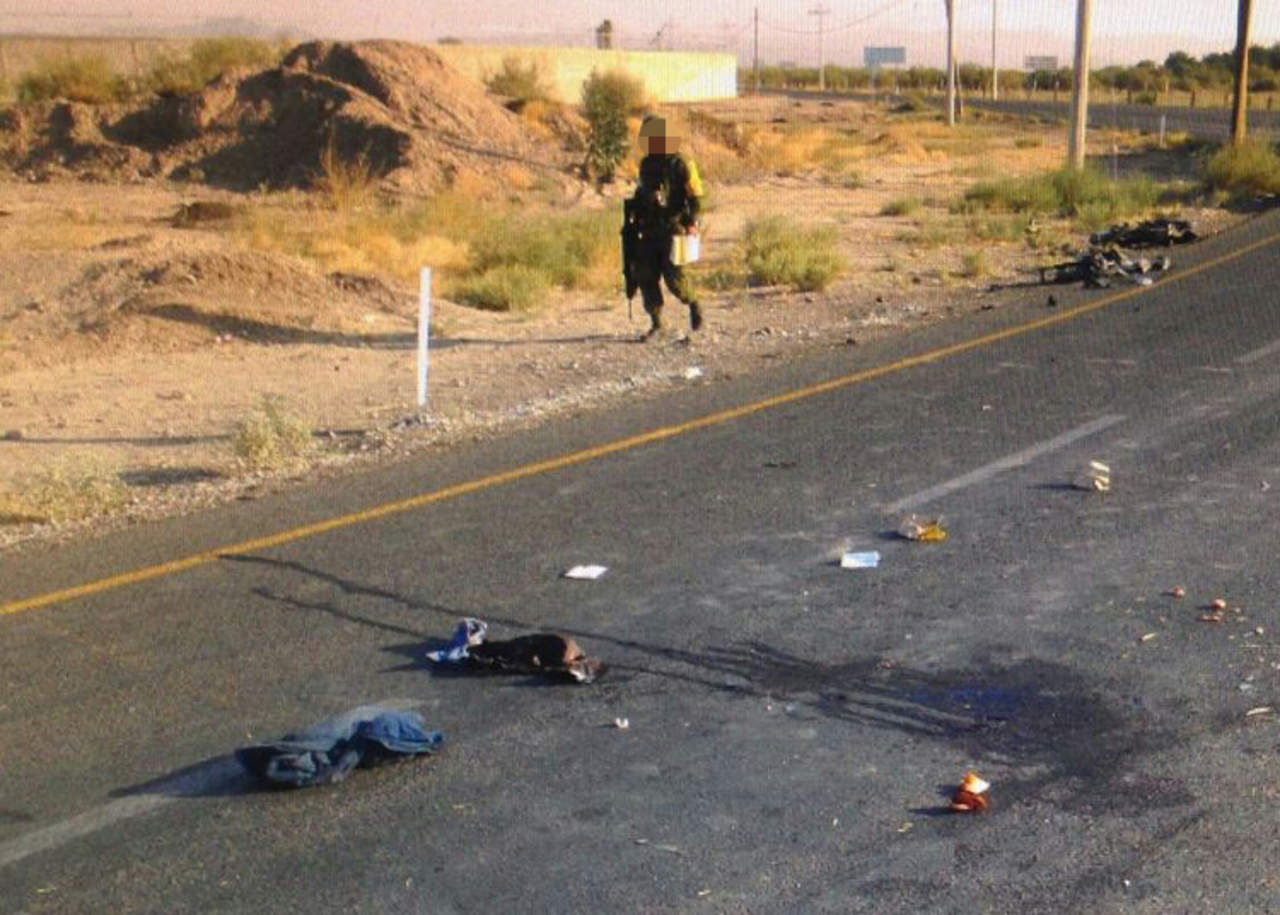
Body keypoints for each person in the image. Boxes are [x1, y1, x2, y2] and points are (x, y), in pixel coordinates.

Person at [622, 115, 705, 340]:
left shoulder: (681, 163)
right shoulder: (646, 164)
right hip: (649, 229)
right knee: (645, 275)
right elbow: (641, 191)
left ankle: (693, 304)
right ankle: (657, 323)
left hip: (673, 227)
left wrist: (692, 223)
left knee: (675, 279)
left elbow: (695, 195)